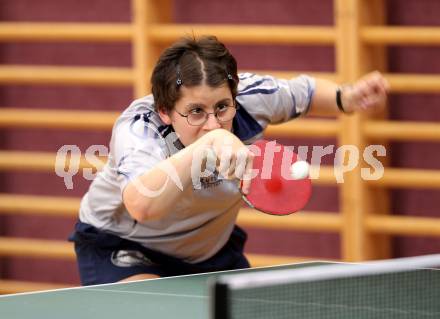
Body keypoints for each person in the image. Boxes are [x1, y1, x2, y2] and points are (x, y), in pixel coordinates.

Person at [69, 35, 388, 285]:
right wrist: (210, 144)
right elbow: (143, 205)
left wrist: (345, 98)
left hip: (208, 249)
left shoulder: (252, 98)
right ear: (165, 111)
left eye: (222, 107)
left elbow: (302, 93)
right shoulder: (140, 129)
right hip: (126, 245)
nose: (212, 121)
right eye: (196, 112)